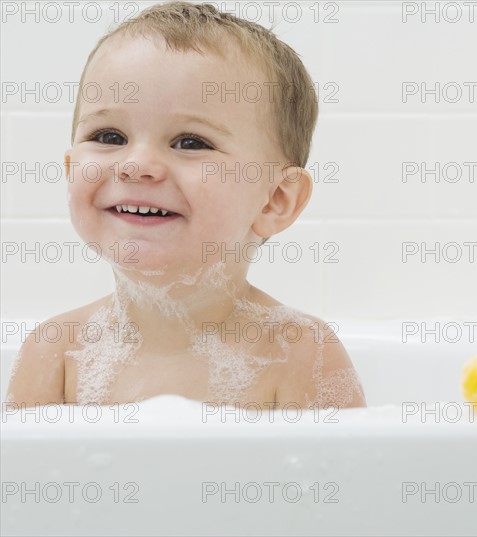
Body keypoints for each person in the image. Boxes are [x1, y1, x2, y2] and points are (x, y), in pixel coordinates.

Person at [7, 1, 366, 410]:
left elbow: (340, 474)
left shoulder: (298, 354)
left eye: (190, 142)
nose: (136, 165)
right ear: (71, 168)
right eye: (109, 136)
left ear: (275, 200)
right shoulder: (56, 350)